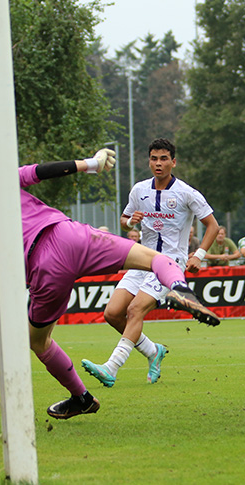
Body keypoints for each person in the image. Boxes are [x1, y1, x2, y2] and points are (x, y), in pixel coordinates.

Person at [0, 148, 221, 420]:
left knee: (38, 342)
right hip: (69, 234)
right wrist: (92, 163)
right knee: (155, 259)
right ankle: (182, 290)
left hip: (42, 268)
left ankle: (82, 398)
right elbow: (39, 172)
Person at [82, 138, 219, 389]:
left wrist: (198, 254)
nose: (158, 163)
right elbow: (124, 220)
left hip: (169, 264)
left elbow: (212, 225)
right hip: (140, 260)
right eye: (154, 158)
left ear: (173, 162)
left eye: (164, 158)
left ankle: (110, 368)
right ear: (149, 161)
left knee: (135, 310)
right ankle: (153, 350)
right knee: (112, 313)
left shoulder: (187, 193)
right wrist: (131, 221)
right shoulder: (139, 190)